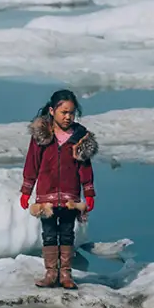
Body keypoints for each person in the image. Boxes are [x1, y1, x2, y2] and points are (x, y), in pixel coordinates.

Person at [19, 88, 98, 289]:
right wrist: (27, 190)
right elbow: (32, 163)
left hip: (70, 196)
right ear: (53, 111)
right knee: (48, 233)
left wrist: (88, 192)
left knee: (67, 233)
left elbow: (85, 167)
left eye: (71, 113)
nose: (68, 117)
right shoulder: (42, 135)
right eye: (64, 112)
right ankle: (50, 273)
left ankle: (65, 274)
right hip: (47, 195)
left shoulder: (80, 137)